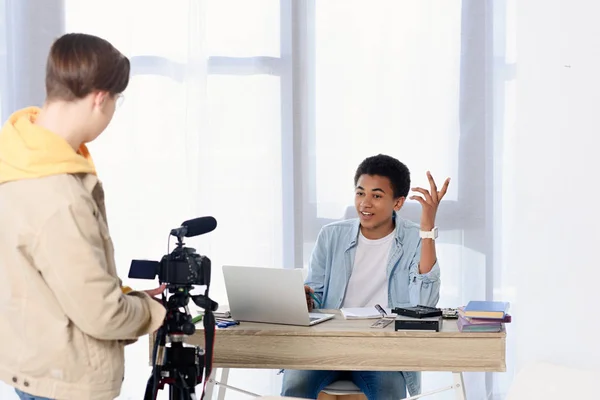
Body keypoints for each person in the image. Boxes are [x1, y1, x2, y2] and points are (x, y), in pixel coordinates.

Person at [0, 33, 167, 400]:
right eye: (116, 101)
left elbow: (52, 279)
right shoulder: (57, 193)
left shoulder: (17, 158)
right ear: (99, 98)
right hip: (66, 383)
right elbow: (102, 315)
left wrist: (127, 295)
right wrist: (152, 311)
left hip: (33, 367)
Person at [282, 154, 450, 400]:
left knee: (388, 390)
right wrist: (305, 299)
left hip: (384, 349)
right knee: (295, 384)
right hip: (328, 344)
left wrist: (427, 230)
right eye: (360, 193)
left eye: (377, 195)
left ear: (398, 202)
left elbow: (424, 303)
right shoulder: (331, 235)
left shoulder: (416, 237)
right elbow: (315, 295)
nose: (365, 203)